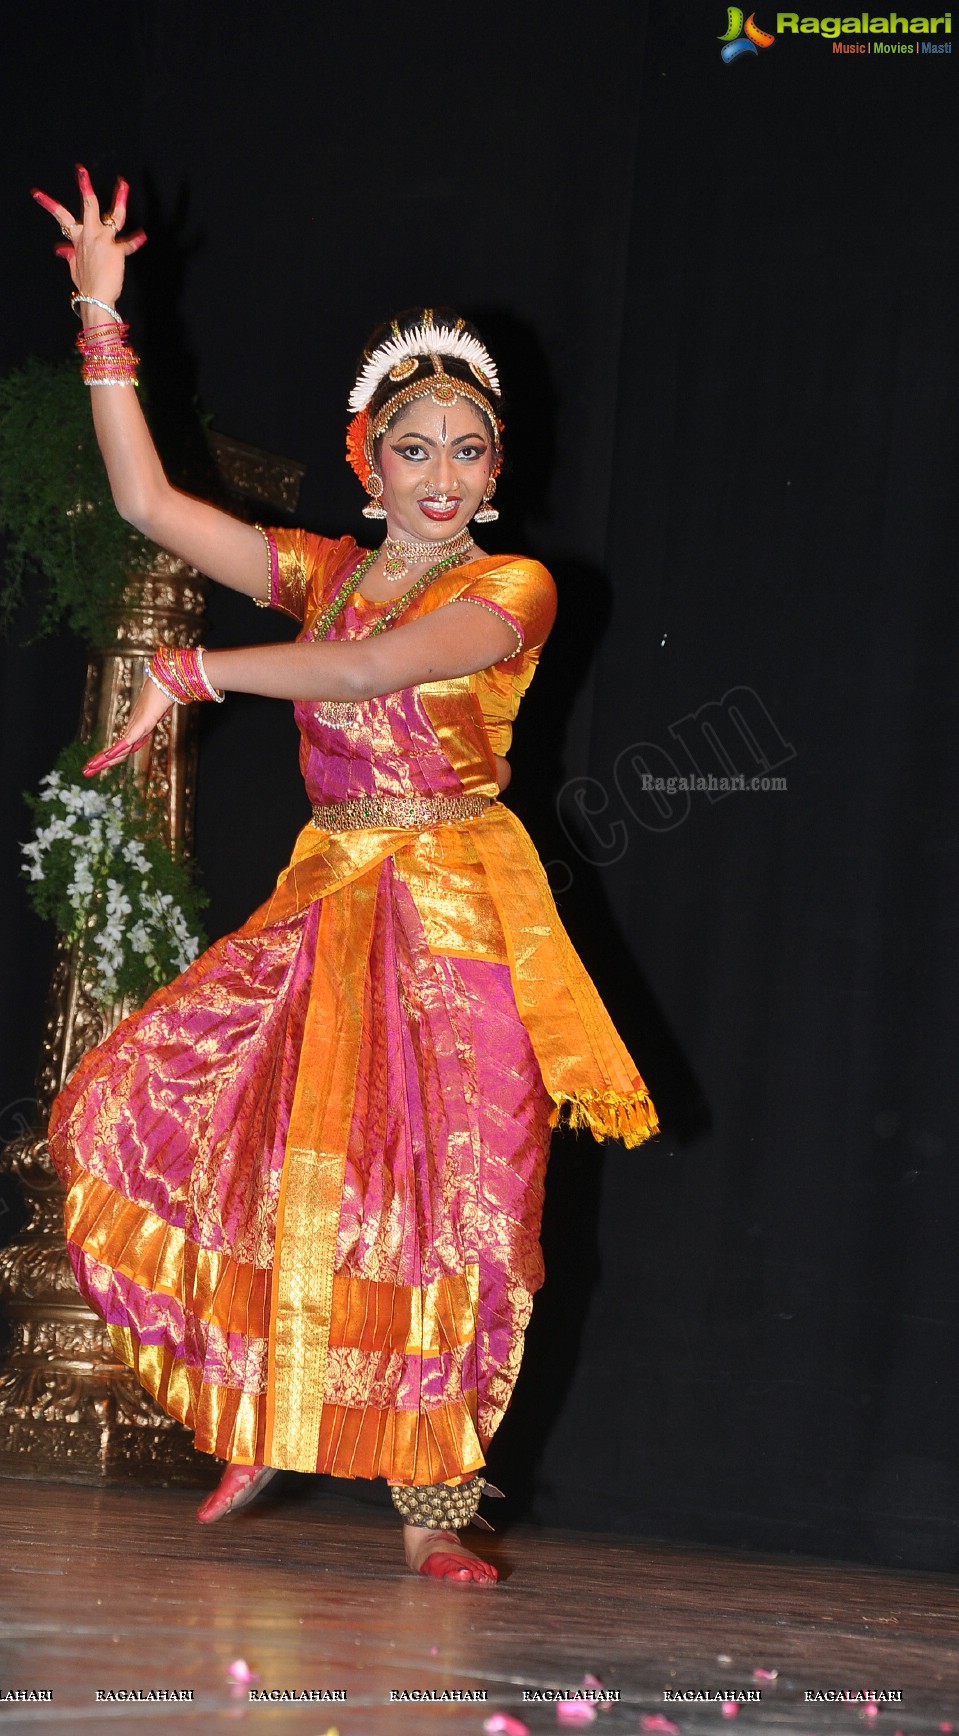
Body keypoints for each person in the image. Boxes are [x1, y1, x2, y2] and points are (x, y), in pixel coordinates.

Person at [33, 165, 658, 1586]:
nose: (445, 476)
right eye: (416, 447)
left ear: (498, 469)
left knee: (466, 1205)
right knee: (241, 1142)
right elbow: (145, 500)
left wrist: (193, 668)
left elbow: (374, 668)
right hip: (330, 893)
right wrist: (98, 313)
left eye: (470, 450)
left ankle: (440, 1501)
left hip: (458, 911)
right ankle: (267, 1406)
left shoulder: (510, 592)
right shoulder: (322, 567)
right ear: (365, 458)